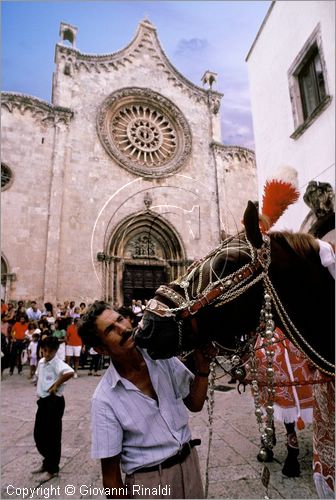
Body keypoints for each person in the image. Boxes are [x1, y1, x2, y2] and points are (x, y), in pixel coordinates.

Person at [78, 300, 216, 499]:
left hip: (190, 467)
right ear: (101, 350)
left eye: (120, 319)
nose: (123, 328)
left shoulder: (161, 357)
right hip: (150, 484)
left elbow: (195, 404)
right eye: (110, 329)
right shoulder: (104, 399)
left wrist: (203, 368)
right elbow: (111, 479)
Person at [32, 336, 74, 482]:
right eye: (44, 351)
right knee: (39, 434)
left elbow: (69, 372)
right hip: (43, 402)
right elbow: (39, 375)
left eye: (50, 351)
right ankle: (47, 461)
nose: (47, 354)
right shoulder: (42, 362)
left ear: (56, 351)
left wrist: (56, 384)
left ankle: (52, 469)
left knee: (52, 436)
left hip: (54, 402)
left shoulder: (57, 363)